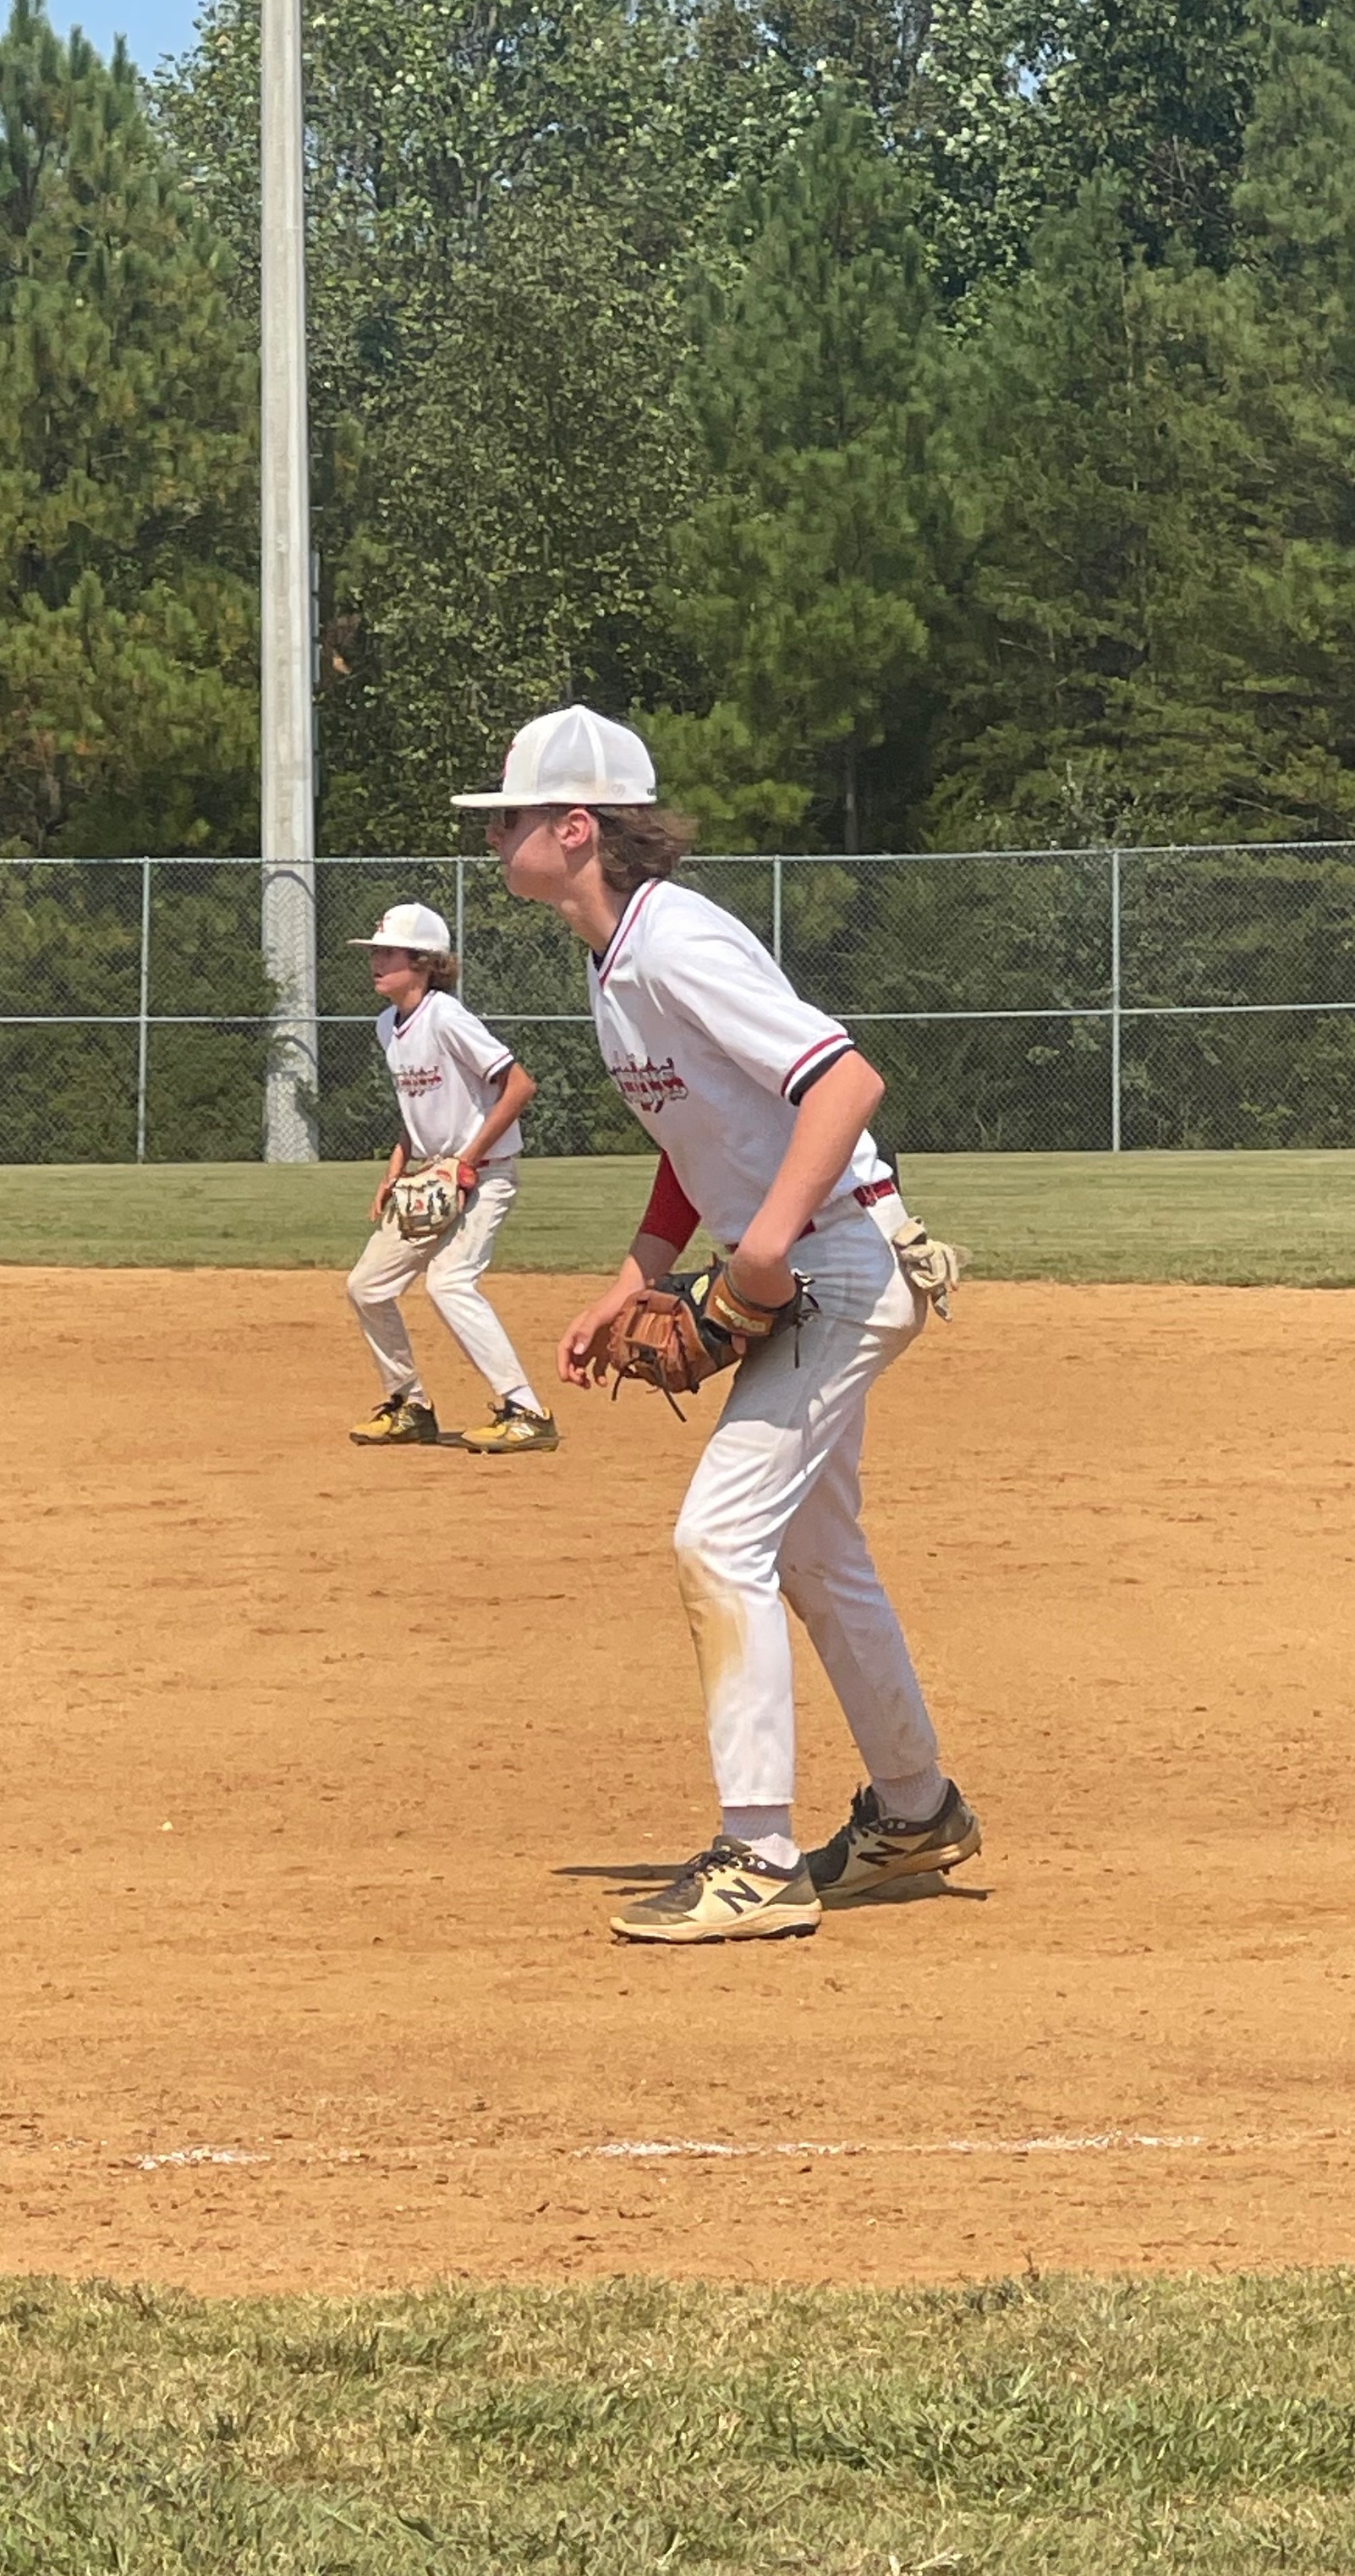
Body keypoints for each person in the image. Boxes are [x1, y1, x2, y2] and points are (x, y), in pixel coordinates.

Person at [453, 706, 979, 1940]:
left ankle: (757, 1857)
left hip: (838, 1264)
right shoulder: (613, 960)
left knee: (717, 1540)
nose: (493, 838)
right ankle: (914, 1813)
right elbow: (702, 1137)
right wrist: (632, 1276)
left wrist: (763, 1246)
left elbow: (843, 1079)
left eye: (510, 818)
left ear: (576, 829)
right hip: (817, 1261)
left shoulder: (673, 942)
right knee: (813, 1554)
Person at [343, 901, 559, 1456]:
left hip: (484, 1176)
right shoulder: (387, 1026)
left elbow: (519, 1086)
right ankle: (409, 1405)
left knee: (449, 1282)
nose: (376, 963)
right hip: (433, 1181)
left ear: (423, 961)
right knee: (367, 1286)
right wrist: (395, 1170)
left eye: (388, 953)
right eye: (374, 953)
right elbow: (414, 1111)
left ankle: (526, 1412)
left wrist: (466, 1160)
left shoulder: (445, 1016)